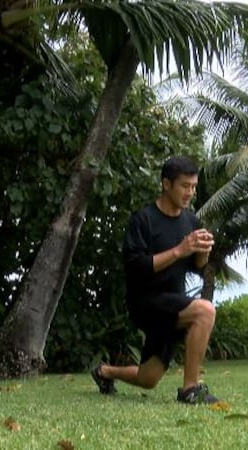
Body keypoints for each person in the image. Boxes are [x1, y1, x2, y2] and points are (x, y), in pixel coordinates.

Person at [90, 155, 219, 404]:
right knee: (205, 310)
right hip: (146, 303)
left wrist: (202, 252)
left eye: (193, 187)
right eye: (184, 186)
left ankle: (104, 372)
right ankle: (190, 389)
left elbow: (197, 268)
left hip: (172, 305)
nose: (190, 192)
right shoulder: (143, 220)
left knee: (148, 378)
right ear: (166, 184)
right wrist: (180, 250)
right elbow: (135, 266)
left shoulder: (191, 221)